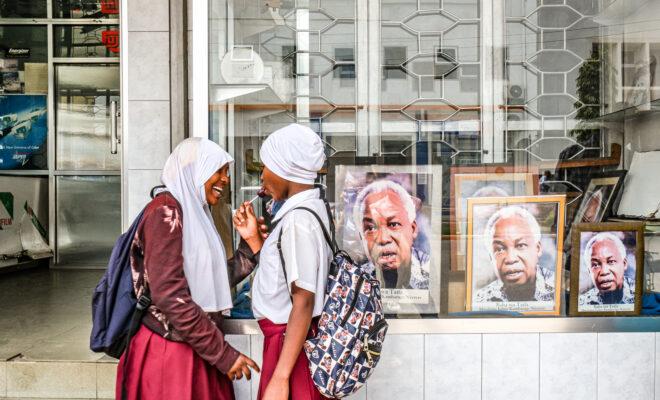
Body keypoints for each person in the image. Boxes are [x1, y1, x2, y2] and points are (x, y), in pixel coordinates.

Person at [116, 138, 260, 400]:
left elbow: (210, 280)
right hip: (170, 355)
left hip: (196, 348)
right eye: (218, 170)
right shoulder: (166, 213)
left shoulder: (193, 213)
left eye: (226, 172)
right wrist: (224, 354)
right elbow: (170, 295)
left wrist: (249, 247)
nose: (225, 179)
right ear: (196, 170)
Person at [243, 123, 331, 400]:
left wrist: (281, 378)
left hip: (290, 347)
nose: (262, 177)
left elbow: (303, 300)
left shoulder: (298, 220)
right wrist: (255, 241)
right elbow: (284, 279)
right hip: (291, 344)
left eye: (266, 167)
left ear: (285, 169)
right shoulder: (308, 210)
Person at [353, 180, 429, 290]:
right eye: (371, 228)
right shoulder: (355, 277)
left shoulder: (428, 268)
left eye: (393, 224)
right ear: (361, 237)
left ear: (413, 229)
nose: (383, 239)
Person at [474, 205, 555, 303]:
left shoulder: (558, 291)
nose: (511, 259)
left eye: (521, 245)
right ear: (491, 257)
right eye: (500, 249)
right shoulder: (481, 301)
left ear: (537, 249)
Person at [579, 232, 635, 306]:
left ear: (624, 264)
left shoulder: (639, 295)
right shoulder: (583, 303)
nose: (604, 272)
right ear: (589, 271)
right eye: (595, 265)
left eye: (611, 262)